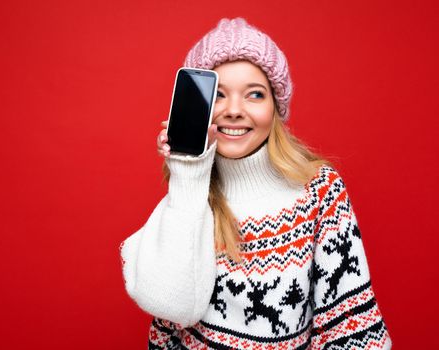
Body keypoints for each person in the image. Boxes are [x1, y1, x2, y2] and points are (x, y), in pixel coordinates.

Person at [119, 17, 392, 350]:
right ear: (197, 105)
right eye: (218, 94)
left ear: (275, 108)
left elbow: (354, 332)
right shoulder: (190, 194)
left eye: (255, 94)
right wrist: (187, 173)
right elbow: (170, 306)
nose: (234, 110)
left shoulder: (318, 191)